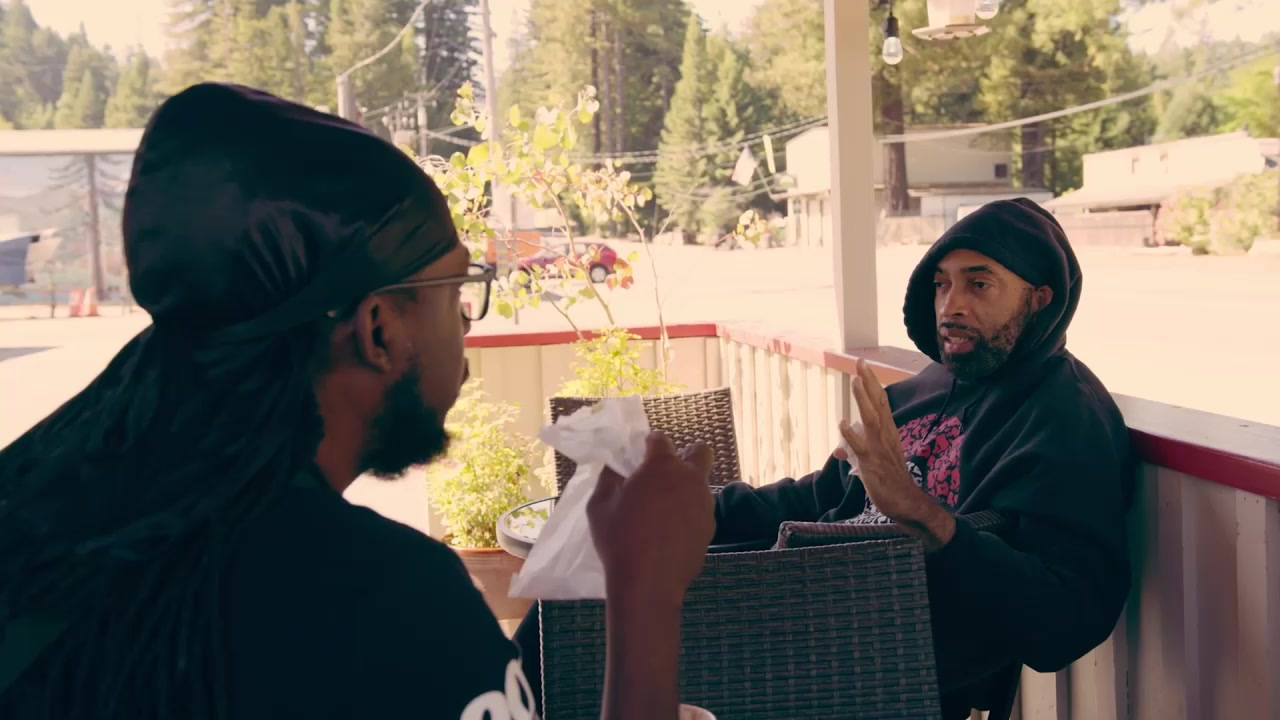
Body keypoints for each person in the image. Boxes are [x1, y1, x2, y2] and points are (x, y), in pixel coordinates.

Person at [0, 83, 715, 720]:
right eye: (455, 293)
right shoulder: (384, 609)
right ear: (379, 330)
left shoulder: (50, 520)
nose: (466, 326)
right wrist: (646, 593)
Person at [711, 198, 1135, 719]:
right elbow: (821, 497)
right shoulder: (919, 390)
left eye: (979, 284)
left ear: (1039, 299)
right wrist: (707, 507)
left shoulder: (1064, 419)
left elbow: (1070, 618)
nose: (951, 306)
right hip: (792, 606)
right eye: (941, 284)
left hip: (873, 672)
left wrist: (924, 517)